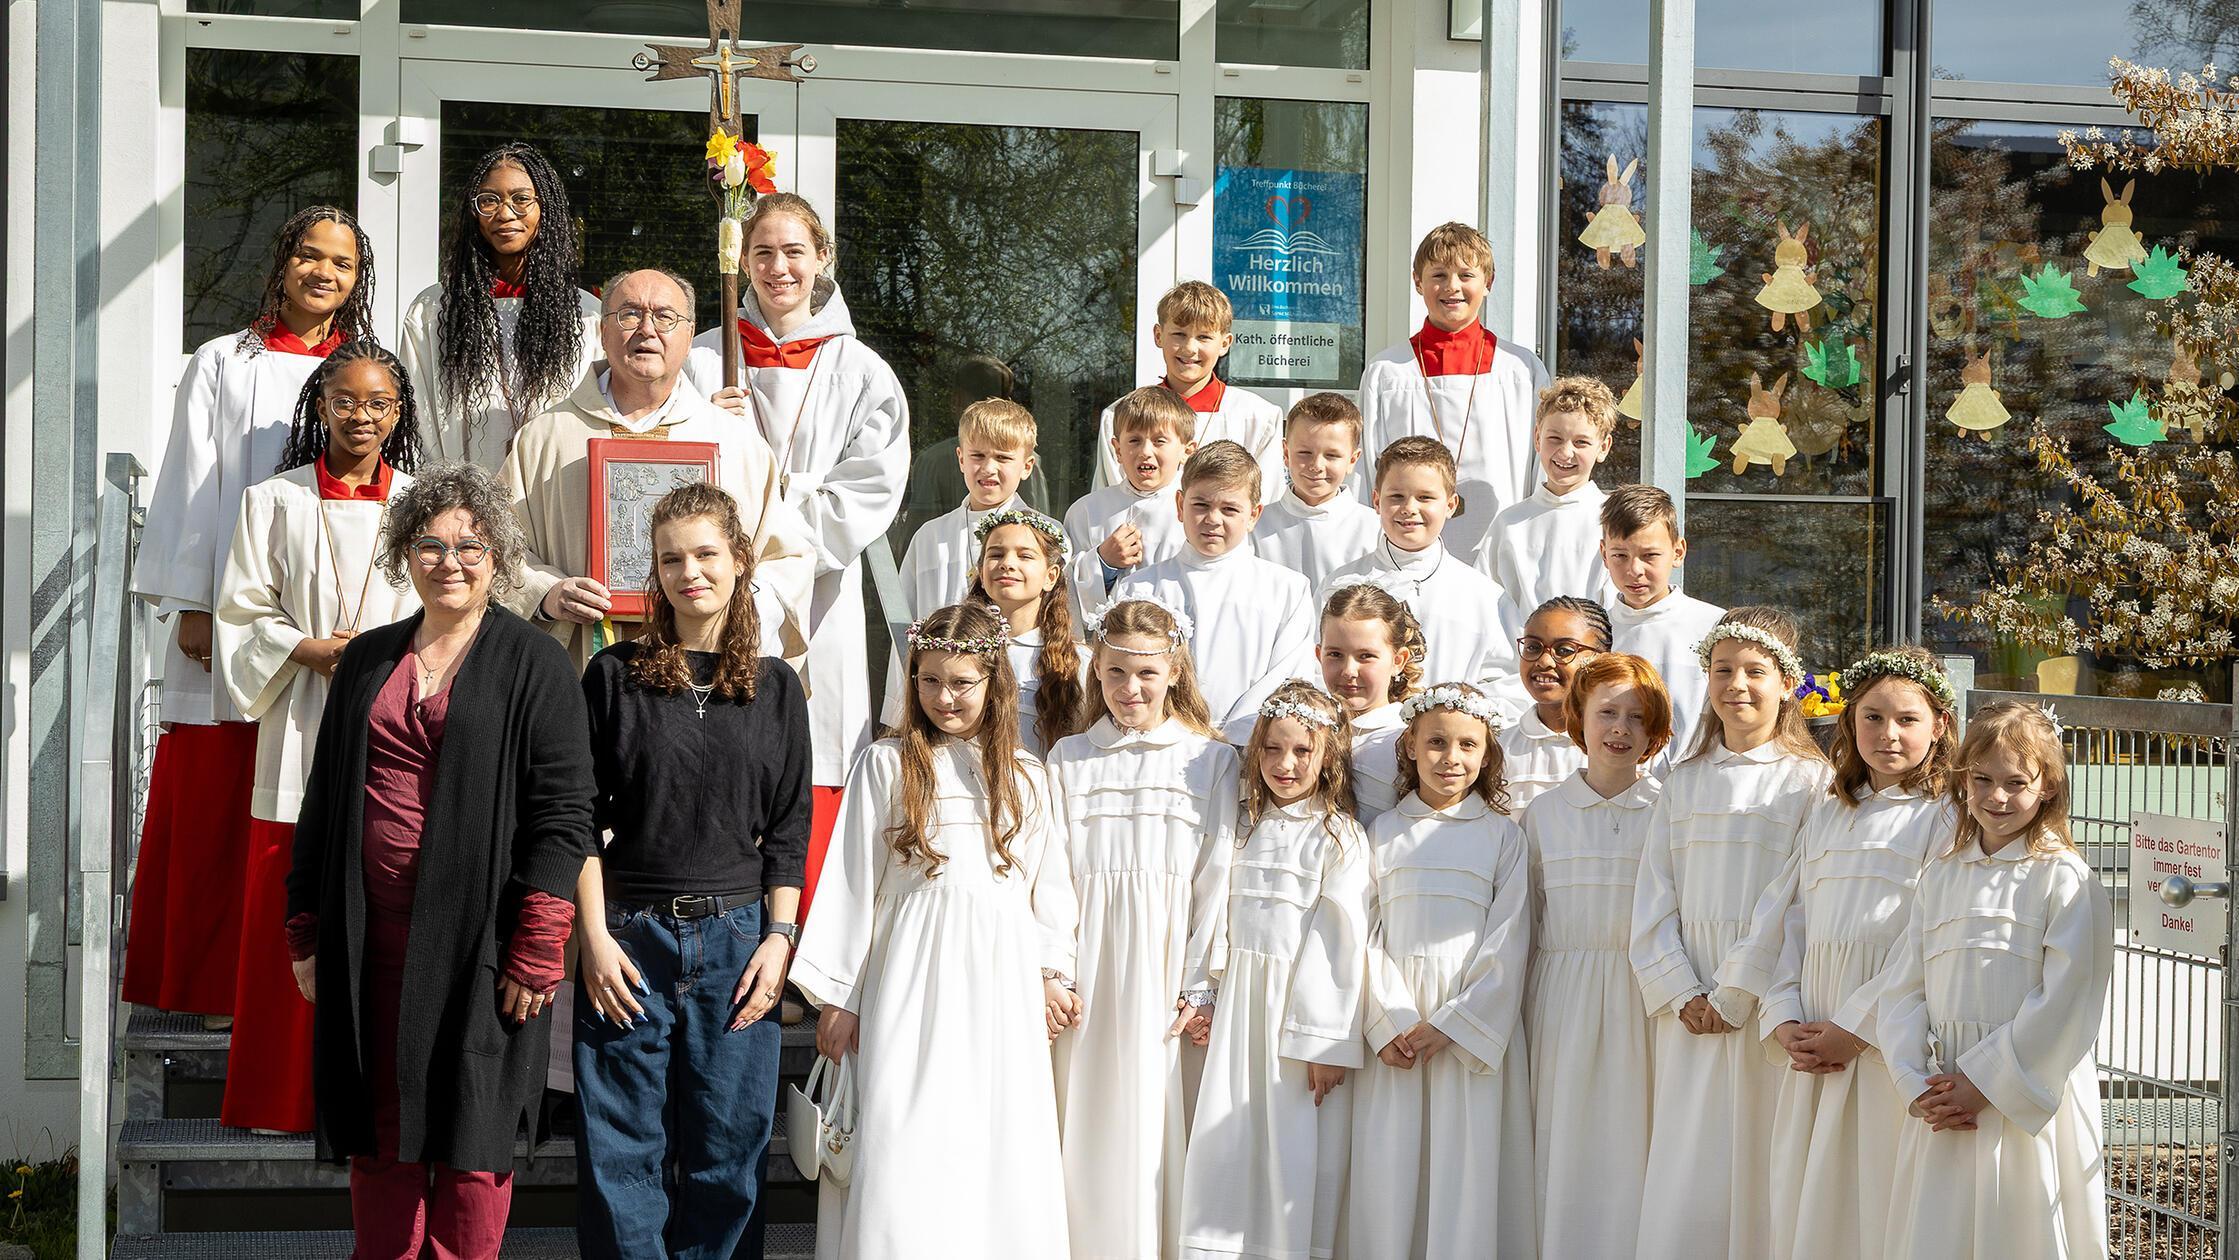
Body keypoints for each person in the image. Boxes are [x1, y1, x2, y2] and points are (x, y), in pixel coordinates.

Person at [284, 463, 594, 1260]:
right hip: (370, 945)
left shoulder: (535, 664)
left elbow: (565, 817)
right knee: (380, 1141)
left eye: (470, 545)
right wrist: (308, 927)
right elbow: (324, 799)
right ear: (404, 553)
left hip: (483, 950)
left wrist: (537, 942)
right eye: (430, 544)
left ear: (498, 556)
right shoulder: (366, 659)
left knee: (470, 1143)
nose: (449, 560)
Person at [125, 205, 376, 1023]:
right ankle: (203, 985)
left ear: (355, 277)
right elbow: (194, 481)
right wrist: (196, 604)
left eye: (340, 262)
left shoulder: (360, 371)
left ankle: (288, 990)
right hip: (237, 619)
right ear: (283, 260)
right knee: (219, 801)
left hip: (330, 622)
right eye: (309, 254)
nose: (323, 273)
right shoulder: (224, 360)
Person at [792, 603, 1080, 1258]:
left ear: (993, 683)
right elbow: (851, 883)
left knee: (993, 1131)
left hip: (1000, 984)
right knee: (904, 1129)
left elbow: (1049, 890)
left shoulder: (1028, 775)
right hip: (907, 980)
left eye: (961, 683)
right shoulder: (885, 764)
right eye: (929, 681)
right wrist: (840, 993)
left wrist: (1049, 972)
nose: (944, 697)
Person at [571, 483, 809, 1258]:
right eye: (671, 558)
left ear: (740, 560)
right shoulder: (613, 676)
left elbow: (786, 828)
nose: (689, 573)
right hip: (630, 938)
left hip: (740, 942)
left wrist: (779, 939)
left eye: (706, 554)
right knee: (620, 1153)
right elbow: (574, 815)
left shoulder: (777, 688)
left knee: (728, 1156)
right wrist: (593, 940)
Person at [212, 342, 423, 1134]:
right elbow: (240, 608)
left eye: (378, 403)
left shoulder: (422, 503)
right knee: (292, 887)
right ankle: (279, 1098)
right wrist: (308, 649)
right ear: (321, 404)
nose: (361, 416)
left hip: (401, 718)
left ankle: (377, 1096)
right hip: (301, 711)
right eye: (346, 400)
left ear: (398, 413)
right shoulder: (272, 501)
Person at [687, 192, 911, 921]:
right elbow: (664, 469)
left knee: (809, 759)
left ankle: (803, 943)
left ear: (822, 260)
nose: (778, 268)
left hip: (815, 592)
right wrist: (703, 434)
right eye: (762, 252)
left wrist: (773, 539)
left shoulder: (864, 371)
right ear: (739, 261)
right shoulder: (701, 362)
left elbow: (868, 491)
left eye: (793, 252)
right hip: (712, 592)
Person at [1716, 646, 1959, 1260]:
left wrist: (1854, 1030)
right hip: (1815, 1035)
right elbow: (1791, 918)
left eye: (1907, 719)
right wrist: (1785, 1015)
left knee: (1878, 1196)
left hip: (1885, 1037)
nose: (1888, 734)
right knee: (1812, 1197)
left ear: (1940, 725)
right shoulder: (1829, 809)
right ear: (1850, 722)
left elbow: (1927, 938)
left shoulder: (1946, 817)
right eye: (1872, 717)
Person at [1629, 607, 1831, 1260]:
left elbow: (1793, 898)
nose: (1736, 685)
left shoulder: (1811, 784)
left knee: (1762, 1161)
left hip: (1765, 998)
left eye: (1754, 671)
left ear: (1784, 682)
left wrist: (1736, 989)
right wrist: (1680, 989)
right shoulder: (1680, 782)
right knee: (1688, 1165)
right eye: (1722, 671)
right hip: (1687, 1005)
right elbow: (1652, 894)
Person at [1878, 702, 2112, 1260]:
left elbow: (2067, 1000)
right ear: (1963, 780)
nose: (1996, 798)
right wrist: (1917, 1082)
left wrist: (1985, 1084)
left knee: (2019, 1228)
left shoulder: (2064, 878)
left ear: (2049, 787)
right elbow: (1904, 987)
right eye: (1981, 780)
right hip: (1945, 1097)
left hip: (2021, 1097)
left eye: (2015, 782)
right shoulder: (1942, 873)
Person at [1046, 597, 1241, 1260]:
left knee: (1162, 1119)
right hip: (1091, 964)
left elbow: (1218, 874)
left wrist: (1202, 979)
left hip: (1170, 966)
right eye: (1116, 673)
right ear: (1095, 671)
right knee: (1092, 1117)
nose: (1131, 689)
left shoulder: (1209, 762)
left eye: (1147, 674)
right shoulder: (1068, 758)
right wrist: (1056, 968)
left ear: (1174, 674)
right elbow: (1052, 871)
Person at [501, 267, 817, 672]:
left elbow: (786, 559)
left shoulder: (735, 443)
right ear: (602, 331)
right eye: (629, 314)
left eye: (665, 317)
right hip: (578, 666)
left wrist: (731, 606)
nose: (646, 330)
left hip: (704, 667)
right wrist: (547, 594)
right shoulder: (545, 438)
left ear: (689, 336)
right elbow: (495, 547)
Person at [1179, 681, 1371, 1260]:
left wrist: (1324, 1041)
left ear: (1328, 756)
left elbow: (1341, 938)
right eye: (1271, 749)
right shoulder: (1240, 824)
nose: (1284, 765)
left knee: (1292, 1144)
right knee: (1228, 1141)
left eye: (1301, 752)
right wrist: (1204, 990)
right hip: (1239, 1002)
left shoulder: (1338, 836)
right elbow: (1212, 908)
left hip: (1296, 1014)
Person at [1350, 682, 1536, 1259]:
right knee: (1393, 1163)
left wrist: (1455, 1022)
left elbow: (1510, 938)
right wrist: (1393, 1019)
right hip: (1400, 1030)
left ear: (1487, 754)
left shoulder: (1504, 836)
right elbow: (1364, 933)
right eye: (1435, 743)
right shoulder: (1380, 832)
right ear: (1408, 746)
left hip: (1467, 1030)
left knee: (1466, 1163)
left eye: (1466, 746)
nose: (1450, 759)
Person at [1521, 652, 1670, 1260]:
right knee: (1566, 1138)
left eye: (1637, 718)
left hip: (1644, 994)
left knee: (1637, 1138)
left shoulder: (1668, 810)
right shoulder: (1541, 814)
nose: (1620, 729)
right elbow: (1527, 920)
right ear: (1577, 719)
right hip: (1562, 995)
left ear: (1655, 732)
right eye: (1607, 713)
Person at [398, 142, 603, 472]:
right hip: (461, 499)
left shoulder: (586, 314)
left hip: (552, 492)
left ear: (544, 209)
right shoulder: (433, 309)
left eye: (521, 199)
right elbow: (417, 414)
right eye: (489, 200)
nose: (505, 214)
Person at [1353, 222, 1550, 563]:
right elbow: (1365, 471)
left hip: (1502, 548)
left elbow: (1542, 466)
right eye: (1439, 275)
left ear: (1488, 282)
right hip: (1405, 548)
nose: (1452, 287)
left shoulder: (1520, 370)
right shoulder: (1388, 372)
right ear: (1418, 282)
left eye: (1466, 275)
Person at [1114, 441, 1319, 742]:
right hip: (1159, 744)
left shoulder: (1287, 589)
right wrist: (1176, 732)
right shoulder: (1140, 587)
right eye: (1201, 505)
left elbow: (1287, 676)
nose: (1213, 519)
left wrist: (1229, 736)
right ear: (1179, 506)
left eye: (1229, 509)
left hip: (1251, 750)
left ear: (1253, 515)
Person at [1324, 437, 1519, 717]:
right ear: (1377, 500)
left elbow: (1508, 684)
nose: (1409, 508)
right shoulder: (1341, 584)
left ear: (1451, 504)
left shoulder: (1485, 597)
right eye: (1397, 497)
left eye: (1425, 497)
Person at [879, 398, 1039, 727]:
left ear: (1027, 466)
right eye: (978, 455)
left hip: (1016, 697)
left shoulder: (1041, 536)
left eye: (1003, 458)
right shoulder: (930, 537)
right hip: (940, 702)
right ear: (960, 458)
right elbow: (906, 627)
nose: (988, 468)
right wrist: (898, 719)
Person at [1091, 281, 1285, 493]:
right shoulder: (1120, 415)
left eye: (1204, 337)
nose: (1190, 348)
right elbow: (1108, 502)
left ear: (1225, 343)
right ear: (1158, 335)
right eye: (1179, 334)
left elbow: (1266, 504)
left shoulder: (1258, 417)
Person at [1475, 375, 1619, 638]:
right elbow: (1482, 602)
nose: (1565, 453)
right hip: (1517, 666)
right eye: (1555, 438)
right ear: (1537, 438)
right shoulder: (1509, 525)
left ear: (1604, 447)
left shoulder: (1613, 520)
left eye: (1581, 442)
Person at [1600, 485, 1724, 762]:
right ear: (1603, 554)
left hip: (1692, 787)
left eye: (1649, 556)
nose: (1635, 570)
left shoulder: (1714, 627)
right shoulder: (1594, 631)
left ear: (1678, 552)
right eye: (1620, 555)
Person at [1062, 385, 1197, 626]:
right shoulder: (1086, 512)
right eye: (1134, 440)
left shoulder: (1196, 511)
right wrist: (1102, 562)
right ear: (1117, 449)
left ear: (1187, 451)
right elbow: (1063, 588)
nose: (1145, 452)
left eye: (1159, 441)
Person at [962, 507, 1089, 756]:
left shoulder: (1076, 663)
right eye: (996, 554)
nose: (1008, 564)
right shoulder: (956, 649)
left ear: (1050, 576)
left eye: (1025, 556)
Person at [1315, 580, 1425, 827]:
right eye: (1335, 655)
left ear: (1398, 660)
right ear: (1318, 655)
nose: (1348, 670)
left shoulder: (1407, 739)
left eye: (1366, 656)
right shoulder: (1303, 731)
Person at [1251, 392, 1381, 589]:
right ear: (1286, 453)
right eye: (1304, 453)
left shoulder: (1375, 528)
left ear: (1352, 460)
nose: (1316, 465)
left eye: (1332, 455)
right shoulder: (1255, 526)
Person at [1499, 596, 1613, 811]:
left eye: (1564, 650)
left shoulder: (1624, 745)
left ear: (1601, 659)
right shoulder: (1498, 748)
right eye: (1533, 647)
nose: (1544, 661)